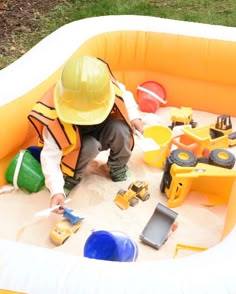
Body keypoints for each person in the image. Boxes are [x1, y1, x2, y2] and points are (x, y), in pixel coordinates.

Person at [28, 55, 143, 214]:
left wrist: (135, 116)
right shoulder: (54, 117)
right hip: (75, 144)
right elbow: (49, 157)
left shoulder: (107, 86)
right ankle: (71, 177)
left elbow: (125, 96)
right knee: (89, 145)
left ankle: (117, 167)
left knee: (120, 130)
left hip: (102, 127)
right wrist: (56, 190)